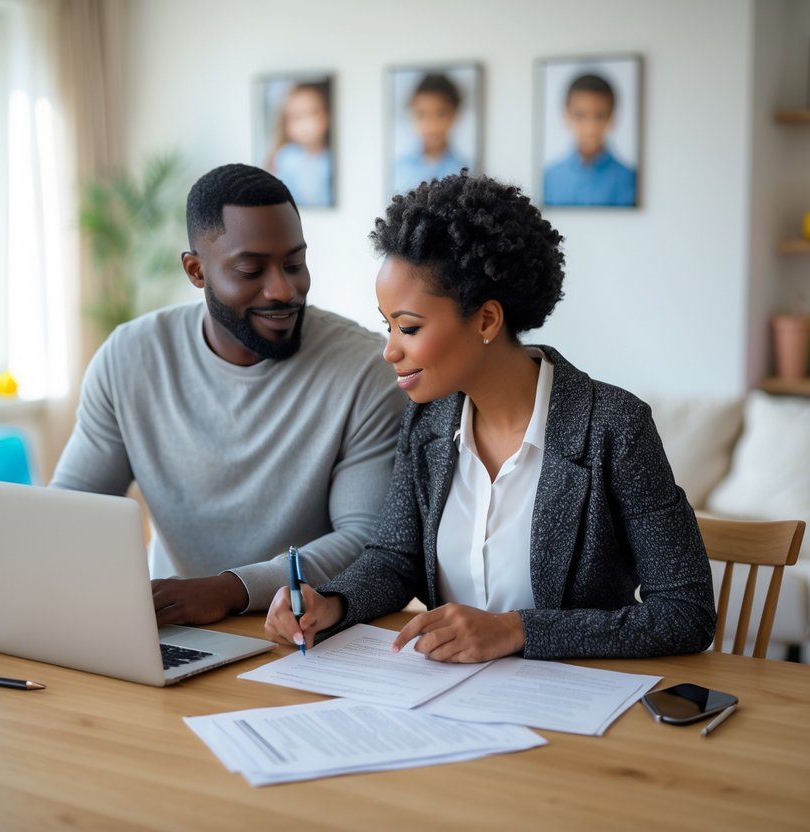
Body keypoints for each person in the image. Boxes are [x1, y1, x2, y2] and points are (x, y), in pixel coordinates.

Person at [266, 171, 716, 663]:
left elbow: (685, 613)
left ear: (486, 320)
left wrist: (516, 631)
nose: (390, 350)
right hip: (447, 699)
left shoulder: (615, 427)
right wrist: (331, 603)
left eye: (409, 327)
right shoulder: (428, 421)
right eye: (387, 324)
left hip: (573, 708)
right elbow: (395, 559)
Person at [52, 163, 405, 626]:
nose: (283, 289)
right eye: (251, 269)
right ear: (196, 271)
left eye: (295, 264)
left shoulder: (364, 369)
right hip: (171, 628)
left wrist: (230, 590)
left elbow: (366, 540)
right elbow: (73, 513)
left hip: (304, 633)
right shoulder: (129, 358)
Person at [542, 72, 637, 207]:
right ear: (566, 116)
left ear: (612, 118)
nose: (590, 128)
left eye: (600, 116)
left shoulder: (630, 179)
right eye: (580, 115)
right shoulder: (548, 178)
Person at [391, 73, 470, 194]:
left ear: (455, 114)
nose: (431, 124)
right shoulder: (399, 167)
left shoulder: (466, 170)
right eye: (421, 114)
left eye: (441, 114)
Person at [267, 82, 333, 207]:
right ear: (286, 123)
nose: (306, 124)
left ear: (327, 116)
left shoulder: (331, 158)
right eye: (297, 117)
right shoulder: (285, 157)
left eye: (313, 113)